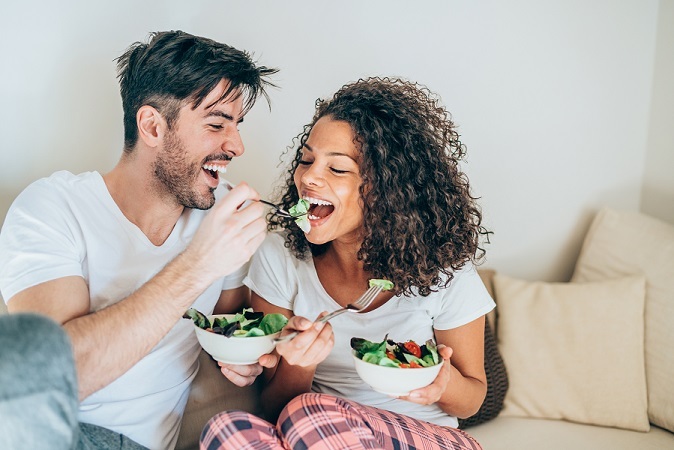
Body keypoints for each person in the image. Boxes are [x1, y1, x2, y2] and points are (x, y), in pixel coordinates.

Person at [0, 30, 278, 450]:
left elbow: (231, 328)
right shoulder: (52, 208)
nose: (236, 145)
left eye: (237, 125)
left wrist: (244, 358)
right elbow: (49, 378)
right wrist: (199, 264)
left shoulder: (223, 218)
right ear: (151, 126)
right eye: (217, 123)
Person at [200, 77, 495, 450]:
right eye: (306, 160)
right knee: (228, 429)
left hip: (428, 437)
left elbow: (473, 397)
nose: (308, 177)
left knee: (309, 413)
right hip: (316, 433)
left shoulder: (446, 268)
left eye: (337, 169)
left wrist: (440, 381)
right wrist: (299, 364)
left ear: (388, 188)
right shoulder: (280, 257)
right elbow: (274, 407)